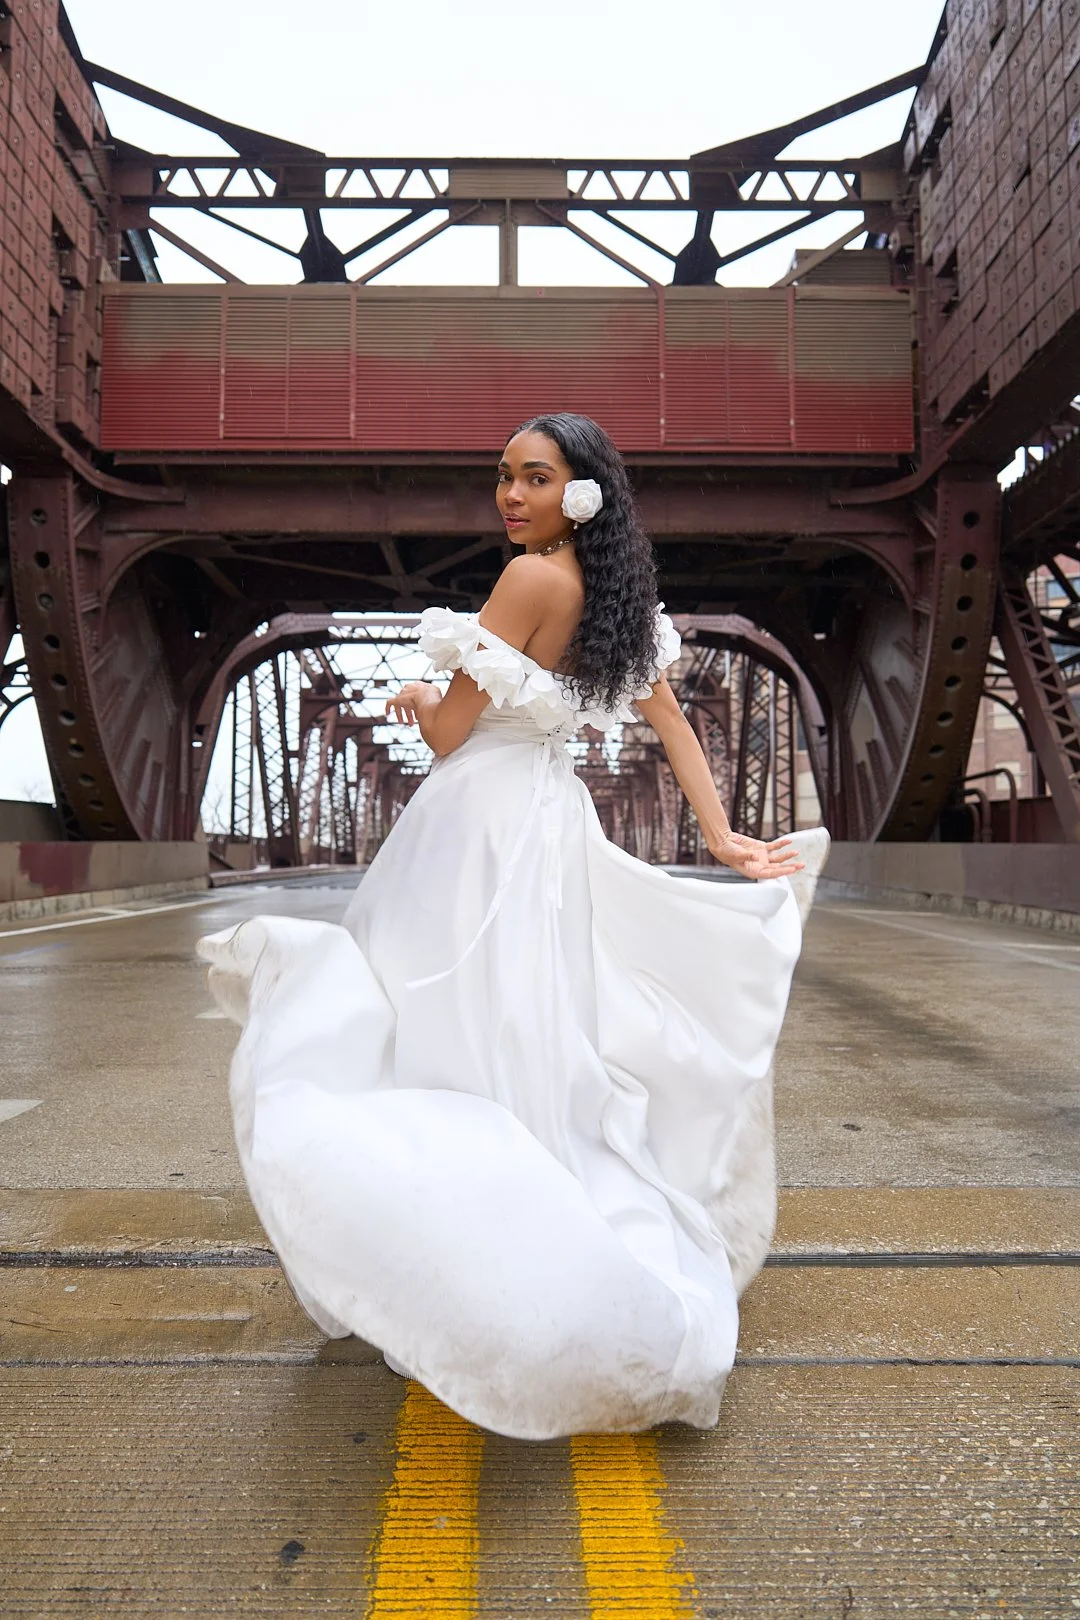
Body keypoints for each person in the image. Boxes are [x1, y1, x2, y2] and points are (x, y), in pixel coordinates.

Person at [197, 410, 830, 1441]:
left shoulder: (530, 581)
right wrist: (722, 839)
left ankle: (447, 1258)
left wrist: (413, 691)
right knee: (529, 1021)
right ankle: (511, 1240)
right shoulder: (617, 605)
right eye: (502, 476)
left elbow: (449, 734)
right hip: (548, 823)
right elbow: (670, 725)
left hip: (475, 824)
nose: (509, 495)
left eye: (533, 478)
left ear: (580, 494)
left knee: (421, 1014)